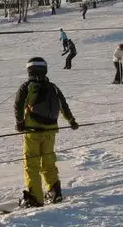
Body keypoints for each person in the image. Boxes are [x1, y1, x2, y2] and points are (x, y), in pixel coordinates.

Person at [14, 57, 78, 208]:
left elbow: (18, 105)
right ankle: (54, 191)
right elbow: (64, 106)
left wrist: (20, 123)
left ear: (29, 70)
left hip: (32, 132)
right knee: (49, 162)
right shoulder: (53, 87)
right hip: (50, 132)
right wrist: (71, 121)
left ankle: (34, 198)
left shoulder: (27, 86)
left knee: (32, 165)